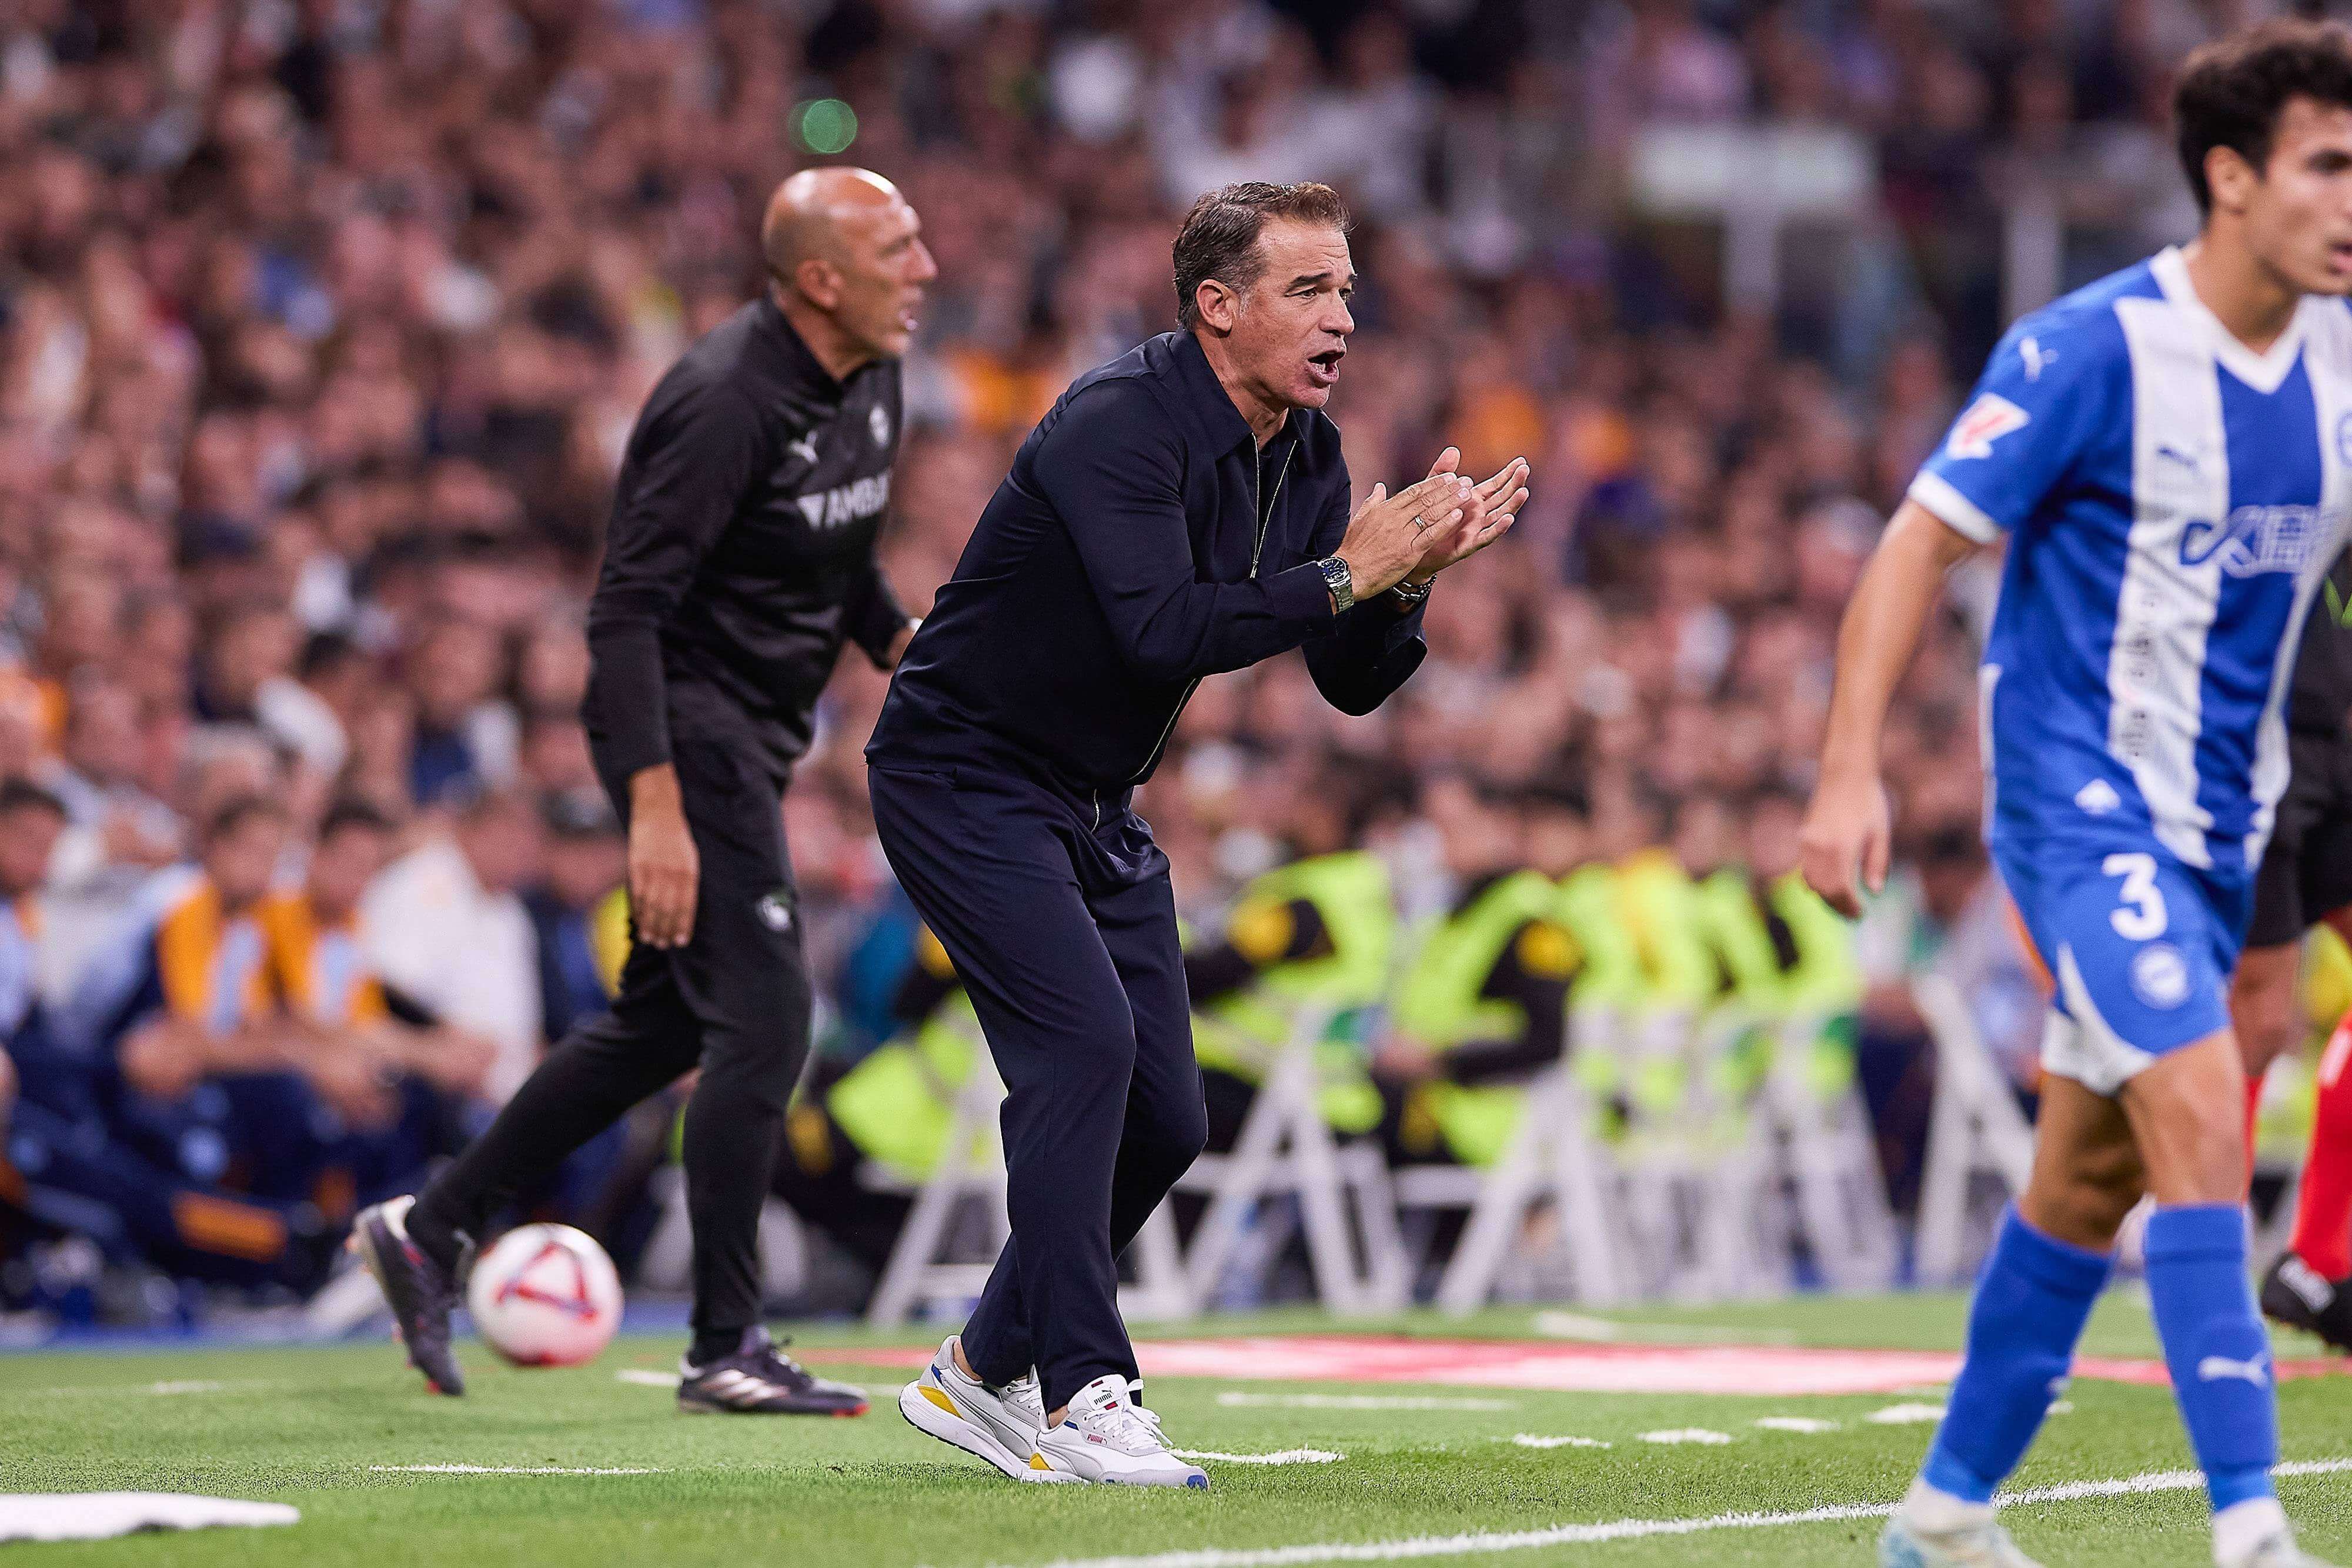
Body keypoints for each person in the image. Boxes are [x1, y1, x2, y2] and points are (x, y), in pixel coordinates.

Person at [870, 179, 1527, 1487]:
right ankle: (1080, 1387)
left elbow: (1341, 677)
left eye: (1345, 288)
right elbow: (1163, 629)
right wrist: (1351, 569)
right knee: (1082, 1048)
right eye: (1307, 289)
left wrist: (1408, 579)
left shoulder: (1310, 450)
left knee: (1167, 1114)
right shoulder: (1120, 420)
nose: (1341, 314)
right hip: (963, 771)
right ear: (1216, 307)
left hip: (1095, 805)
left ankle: (972, 1366)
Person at [1798, 23, 2352, 1568]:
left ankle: (1943, 1514)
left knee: (2086, 1172)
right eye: (2330, 164)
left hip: (2228, 825)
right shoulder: (2089, 349)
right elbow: (1916, 542)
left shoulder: (2339, 365)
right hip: (2071, 811)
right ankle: (2252, 1529)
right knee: (2195, 1099)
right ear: (2232, 178)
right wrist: (1847, 770)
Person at [349, 166, 933, 1415]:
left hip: (762, 734)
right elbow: (624, 615)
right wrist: (655, 807)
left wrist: (894, 639)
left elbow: (839, 548)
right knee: (767, 1018)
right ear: (818, 280)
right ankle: (725, 1341)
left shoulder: (877, 369)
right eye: (896, 248)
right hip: (688, 729)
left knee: (668, 1023)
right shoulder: (723, 400)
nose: (924, 267)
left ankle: (429, 1229)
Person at [2227, 539, 2352, 1348]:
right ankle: (2204, 1274)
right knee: (2252, 1019)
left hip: (2334, 735)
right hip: (2259, 742)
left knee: (2255, 1019)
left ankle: (2315, 1264)